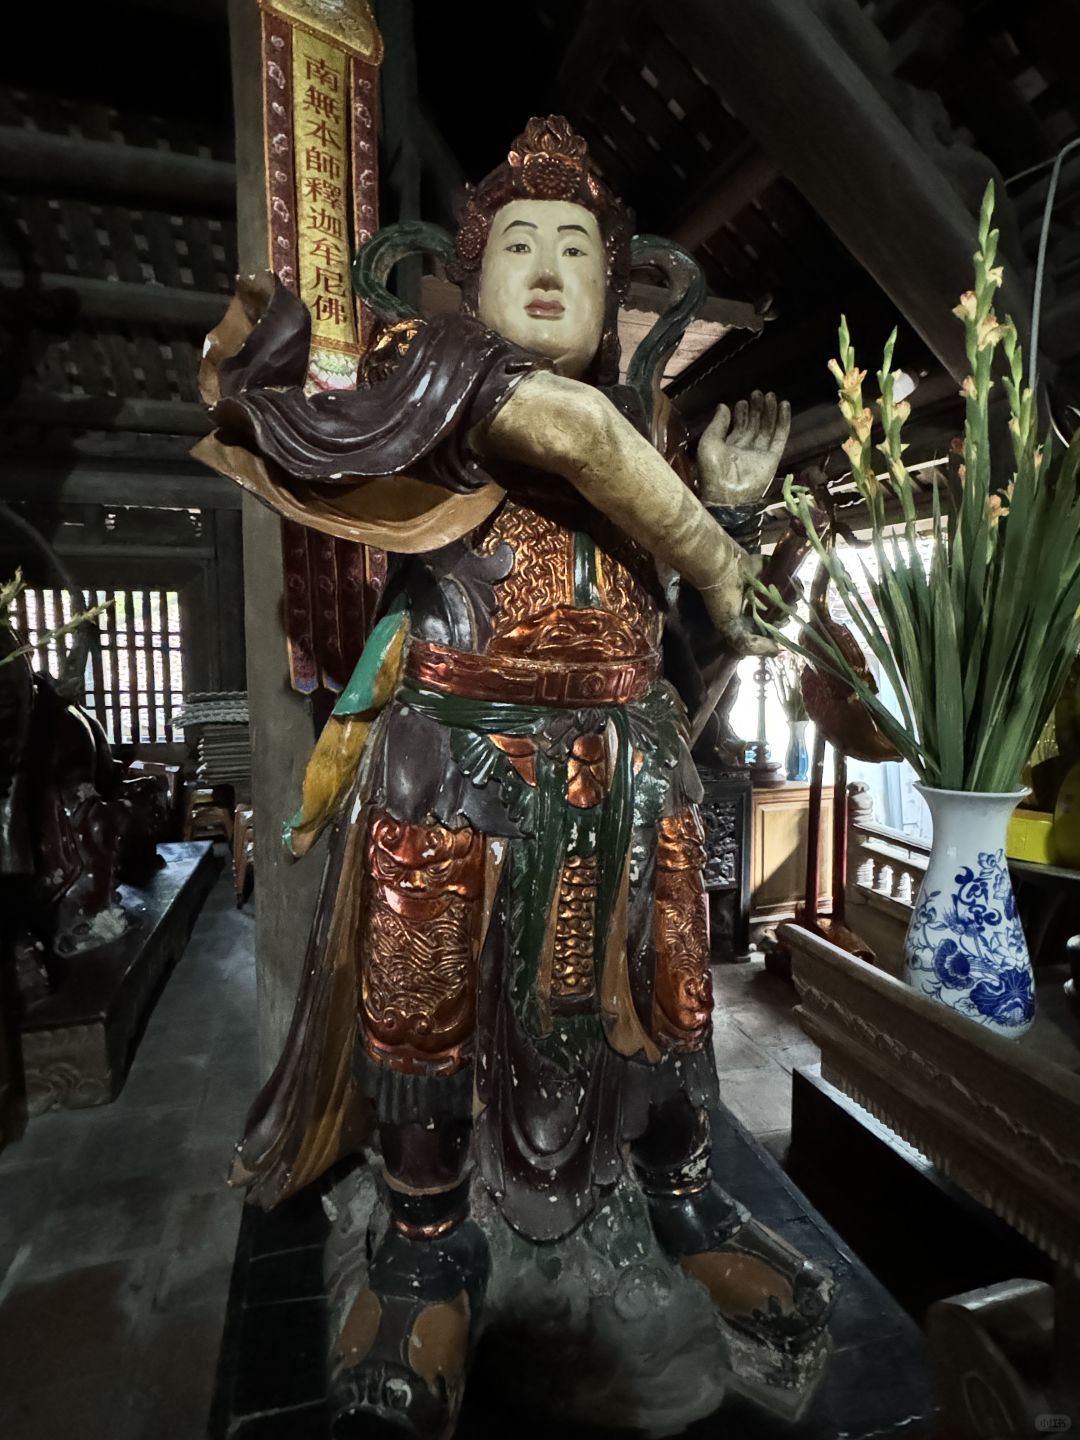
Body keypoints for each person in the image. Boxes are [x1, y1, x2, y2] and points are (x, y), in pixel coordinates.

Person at [196, 116, 833, 1438]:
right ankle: (425, 1240)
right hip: (460, 772)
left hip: (626, 766)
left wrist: (731, 519)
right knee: (424, 1010)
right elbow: (580, 442)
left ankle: (684, 1193)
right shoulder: (453, 389)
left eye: (577, 252)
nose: (547, 267)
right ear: (467, 283)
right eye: (521, 246)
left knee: (666, 1003)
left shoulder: (636, 451)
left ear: (614, 294)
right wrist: (710, 544)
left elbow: (697, 672)